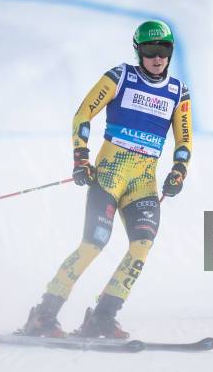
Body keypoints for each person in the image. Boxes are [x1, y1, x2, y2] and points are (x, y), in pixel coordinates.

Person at [21, 20, 193, 339]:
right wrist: (81, 157)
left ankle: (102, 317)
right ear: (138, 51)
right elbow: (83, 114)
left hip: (143, 182)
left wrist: (179, 170)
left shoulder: (177, 91)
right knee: (94, 244)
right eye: (150, 51)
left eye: (164, 50)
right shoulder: (120, 76)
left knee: (142, 245)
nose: (157, 58)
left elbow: (184, 140)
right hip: (109, 176)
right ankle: (43, 316)